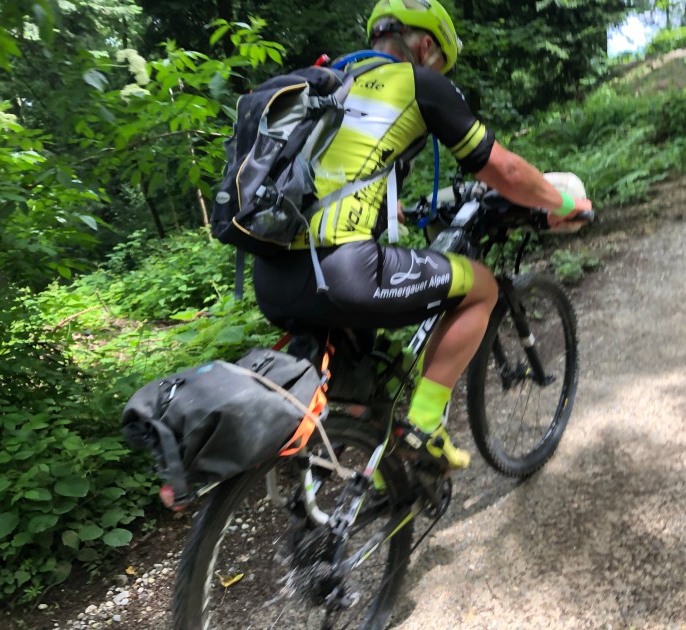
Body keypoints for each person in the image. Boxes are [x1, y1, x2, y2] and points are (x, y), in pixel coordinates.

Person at [253, 0, 593, 471]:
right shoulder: (415, 82)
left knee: (374, 377)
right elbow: (506, 171)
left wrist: (393, 208)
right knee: (482, 289)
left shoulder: (331, 83)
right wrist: (561, 204)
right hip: (342, 271)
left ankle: (380, 478)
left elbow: (335, 176)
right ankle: (425, 426)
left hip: (273, 279)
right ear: (426, 45)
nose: (437, 70)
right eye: (440, 62)